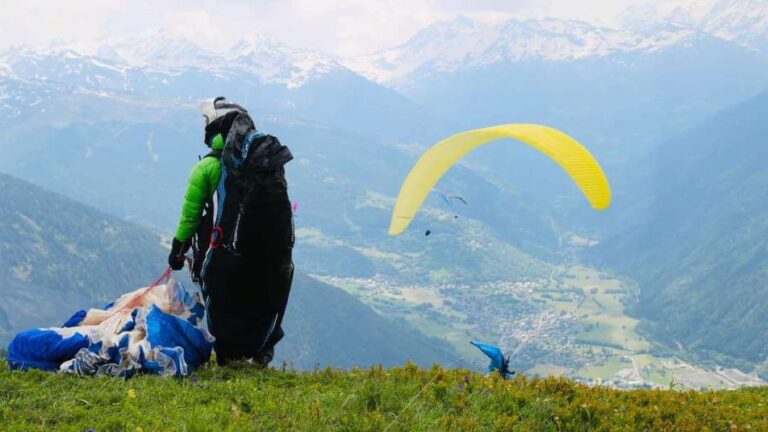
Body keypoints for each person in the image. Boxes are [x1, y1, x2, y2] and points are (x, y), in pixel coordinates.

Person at [168, 96, 295, 367]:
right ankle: (260, 350)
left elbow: (190, 217)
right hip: (266, 254)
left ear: (216, 125)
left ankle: (227, 357)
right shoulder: (261, 164)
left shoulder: (208, 168)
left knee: (222, 302)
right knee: (258, 296)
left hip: (221, 252)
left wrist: (177, 250)